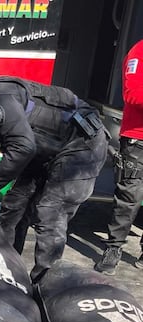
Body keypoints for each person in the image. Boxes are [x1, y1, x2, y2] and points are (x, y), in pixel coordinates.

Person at [0, 64, 109, 283]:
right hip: (42, 150)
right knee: (14, 205)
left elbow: (23, 148)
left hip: (80, 145)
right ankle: (5, 272)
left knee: (50, 212)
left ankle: (44, 285)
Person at [95, 39, 143, 275]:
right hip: (138, 138)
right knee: (129, 196)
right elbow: (132, 94)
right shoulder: (139, 51)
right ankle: (113, 248)